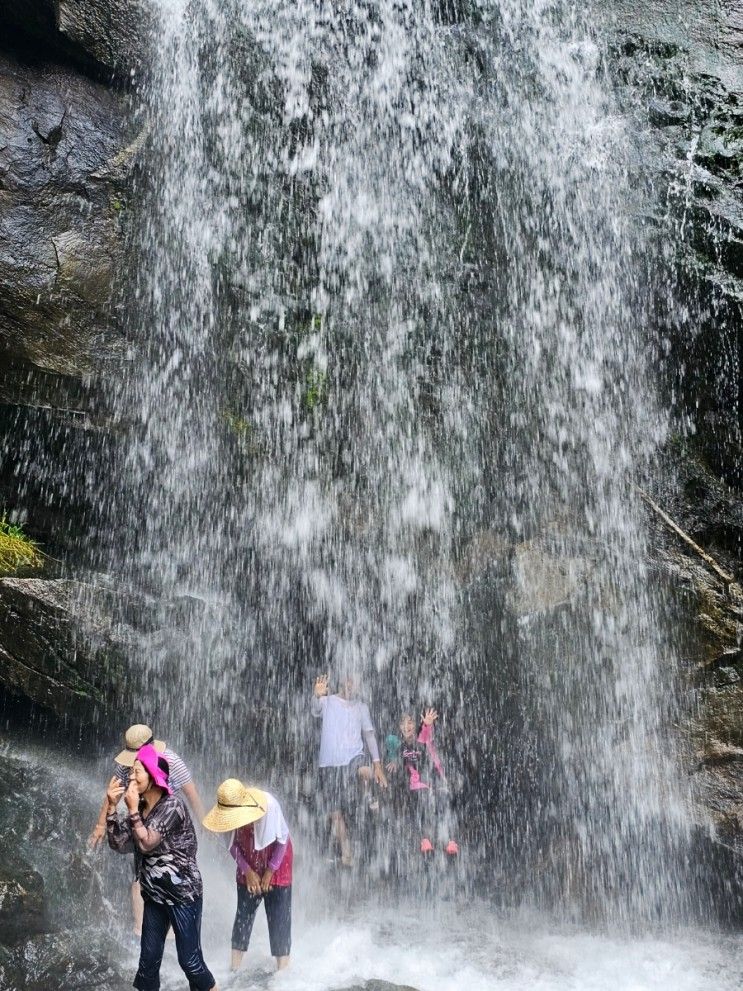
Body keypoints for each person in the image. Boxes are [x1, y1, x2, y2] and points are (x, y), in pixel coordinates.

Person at [106, 744, 217, 991]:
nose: (131, 778)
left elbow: (146, 842)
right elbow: (119, 843)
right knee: (147, 965)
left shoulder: (173, 806)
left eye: (136, 772)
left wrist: (132, 809)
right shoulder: (141, 809)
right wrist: (113, 808)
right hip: (154, 897)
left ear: (154, 776)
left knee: (190, 962)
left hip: (183, 896)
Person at [88, 723, 205, 935]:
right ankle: (139, 928)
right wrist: (100, 825)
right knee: (140, 871)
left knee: (168, 867)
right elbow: (112, 792)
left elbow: (191, 792)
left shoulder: (171, 761)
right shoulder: (127, 767)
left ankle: (171, 927)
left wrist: (205, 822)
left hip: (169, 822)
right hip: (142, 813)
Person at [202, 779, 292, 973]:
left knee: (279, 912)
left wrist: (270, 871)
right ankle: (234, 968)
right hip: (247, 858)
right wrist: (247, 871)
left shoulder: (269, 806)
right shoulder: (227, 813)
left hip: (277, 858)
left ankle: (283, 971)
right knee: (244, 911)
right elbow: (231, 845)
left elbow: (283, 840)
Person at [311, 672, 387, 866]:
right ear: (342, 681)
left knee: (363, 769)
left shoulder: (362, 708)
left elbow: (369, 736)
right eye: (349, 680)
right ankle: (346, 854)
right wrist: (317, 695)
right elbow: (315, 709)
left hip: (354, 756)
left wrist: (377, 765)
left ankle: (371, 794)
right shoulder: (328, 702)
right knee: (335, 813)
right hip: (330, 764)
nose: (352, 684)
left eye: (356, 682)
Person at [385, 707, 458, 856]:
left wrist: (427, 724)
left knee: (443, 802)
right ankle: (426, 840)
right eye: (403, 724)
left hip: (435, 779)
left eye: (410, 722)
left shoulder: (422, 739)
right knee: (424, 802)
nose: (407, 726)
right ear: (400, 728)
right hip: (418, 784)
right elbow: (398, 759)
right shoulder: (401, 747)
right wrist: (394, 761)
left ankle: (451, 841)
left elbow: (426, 733)